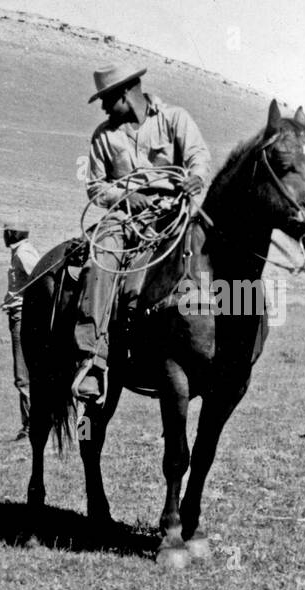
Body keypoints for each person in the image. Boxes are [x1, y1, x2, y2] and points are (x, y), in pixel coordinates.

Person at [76, 65, 211, 401]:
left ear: (124, 94)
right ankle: (93, 359)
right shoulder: (103, 136)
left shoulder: (174, 119)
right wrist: (124, 196)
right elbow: (95, 187)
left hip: (174, 210)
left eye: (107, 101)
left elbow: (197, 155)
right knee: (100, 262)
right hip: (124, 219)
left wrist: (196, 176)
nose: (105, 110)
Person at [4, 222, 40, 440]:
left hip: (22, 316)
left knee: (22, 374)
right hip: (20, 313)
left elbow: (39, 276)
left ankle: (30, 426)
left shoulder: (23, 253)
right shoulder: (20, 251)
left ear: (10, 233)